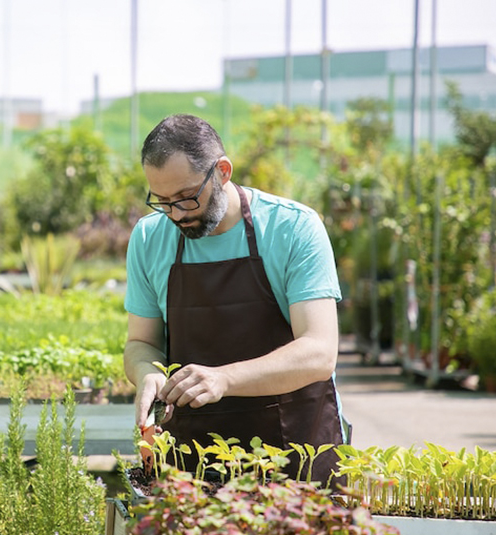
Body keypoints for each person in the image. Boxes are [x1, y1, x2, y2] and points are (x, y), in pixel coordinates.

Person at [123, 113, 346, 485]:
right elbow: (141, 342)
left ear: (222, 171)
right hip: (193, 462)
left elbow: (319, 353)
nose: (176, 214)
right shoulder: (149, 239)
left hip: (293, 458)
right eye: (161, 200)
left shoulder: (293, 228)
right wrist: (147, 372)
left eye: (186, 197)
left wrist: (223, 379)